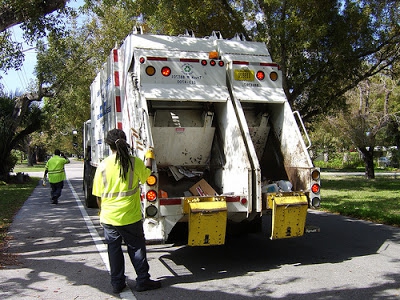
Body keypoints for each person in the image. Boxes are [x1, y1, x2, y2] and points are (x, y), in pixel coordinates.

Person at [92, 128, 161, 294]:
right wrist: (149, 157)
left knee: (114, 250)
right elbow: (147, 176)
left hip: (109, 217)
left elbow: (98, 195)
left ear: (109, 145)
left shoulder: (103, 165)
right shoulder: (134, 162)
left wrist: (102, 212)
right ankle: (143, 280)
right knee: (136, 247)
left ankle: (117, 283)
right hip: (130, 215)